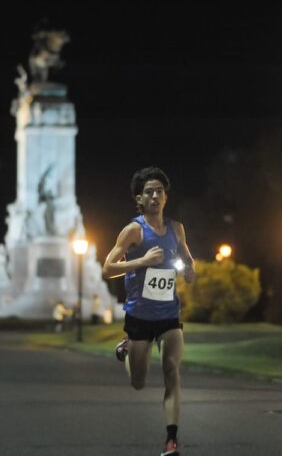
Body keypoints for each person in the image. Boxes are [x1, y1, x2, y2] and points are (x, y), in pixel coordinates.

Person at [102, 167, 195, 456]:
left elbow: (188, 261)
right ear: (140, 199)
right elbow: (107, 269)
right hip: (139, 317)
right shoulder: (133, 230)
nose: (155, 196)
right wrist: (141, 261)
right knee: (138, 382)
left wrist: (190, 270)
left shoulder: (177, 228)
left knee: (172, 370)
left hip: (169, 315)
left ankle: (171, 440)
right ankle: (128, 347)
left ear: (166, 196)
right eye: (149, 192)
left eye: (159, 191)